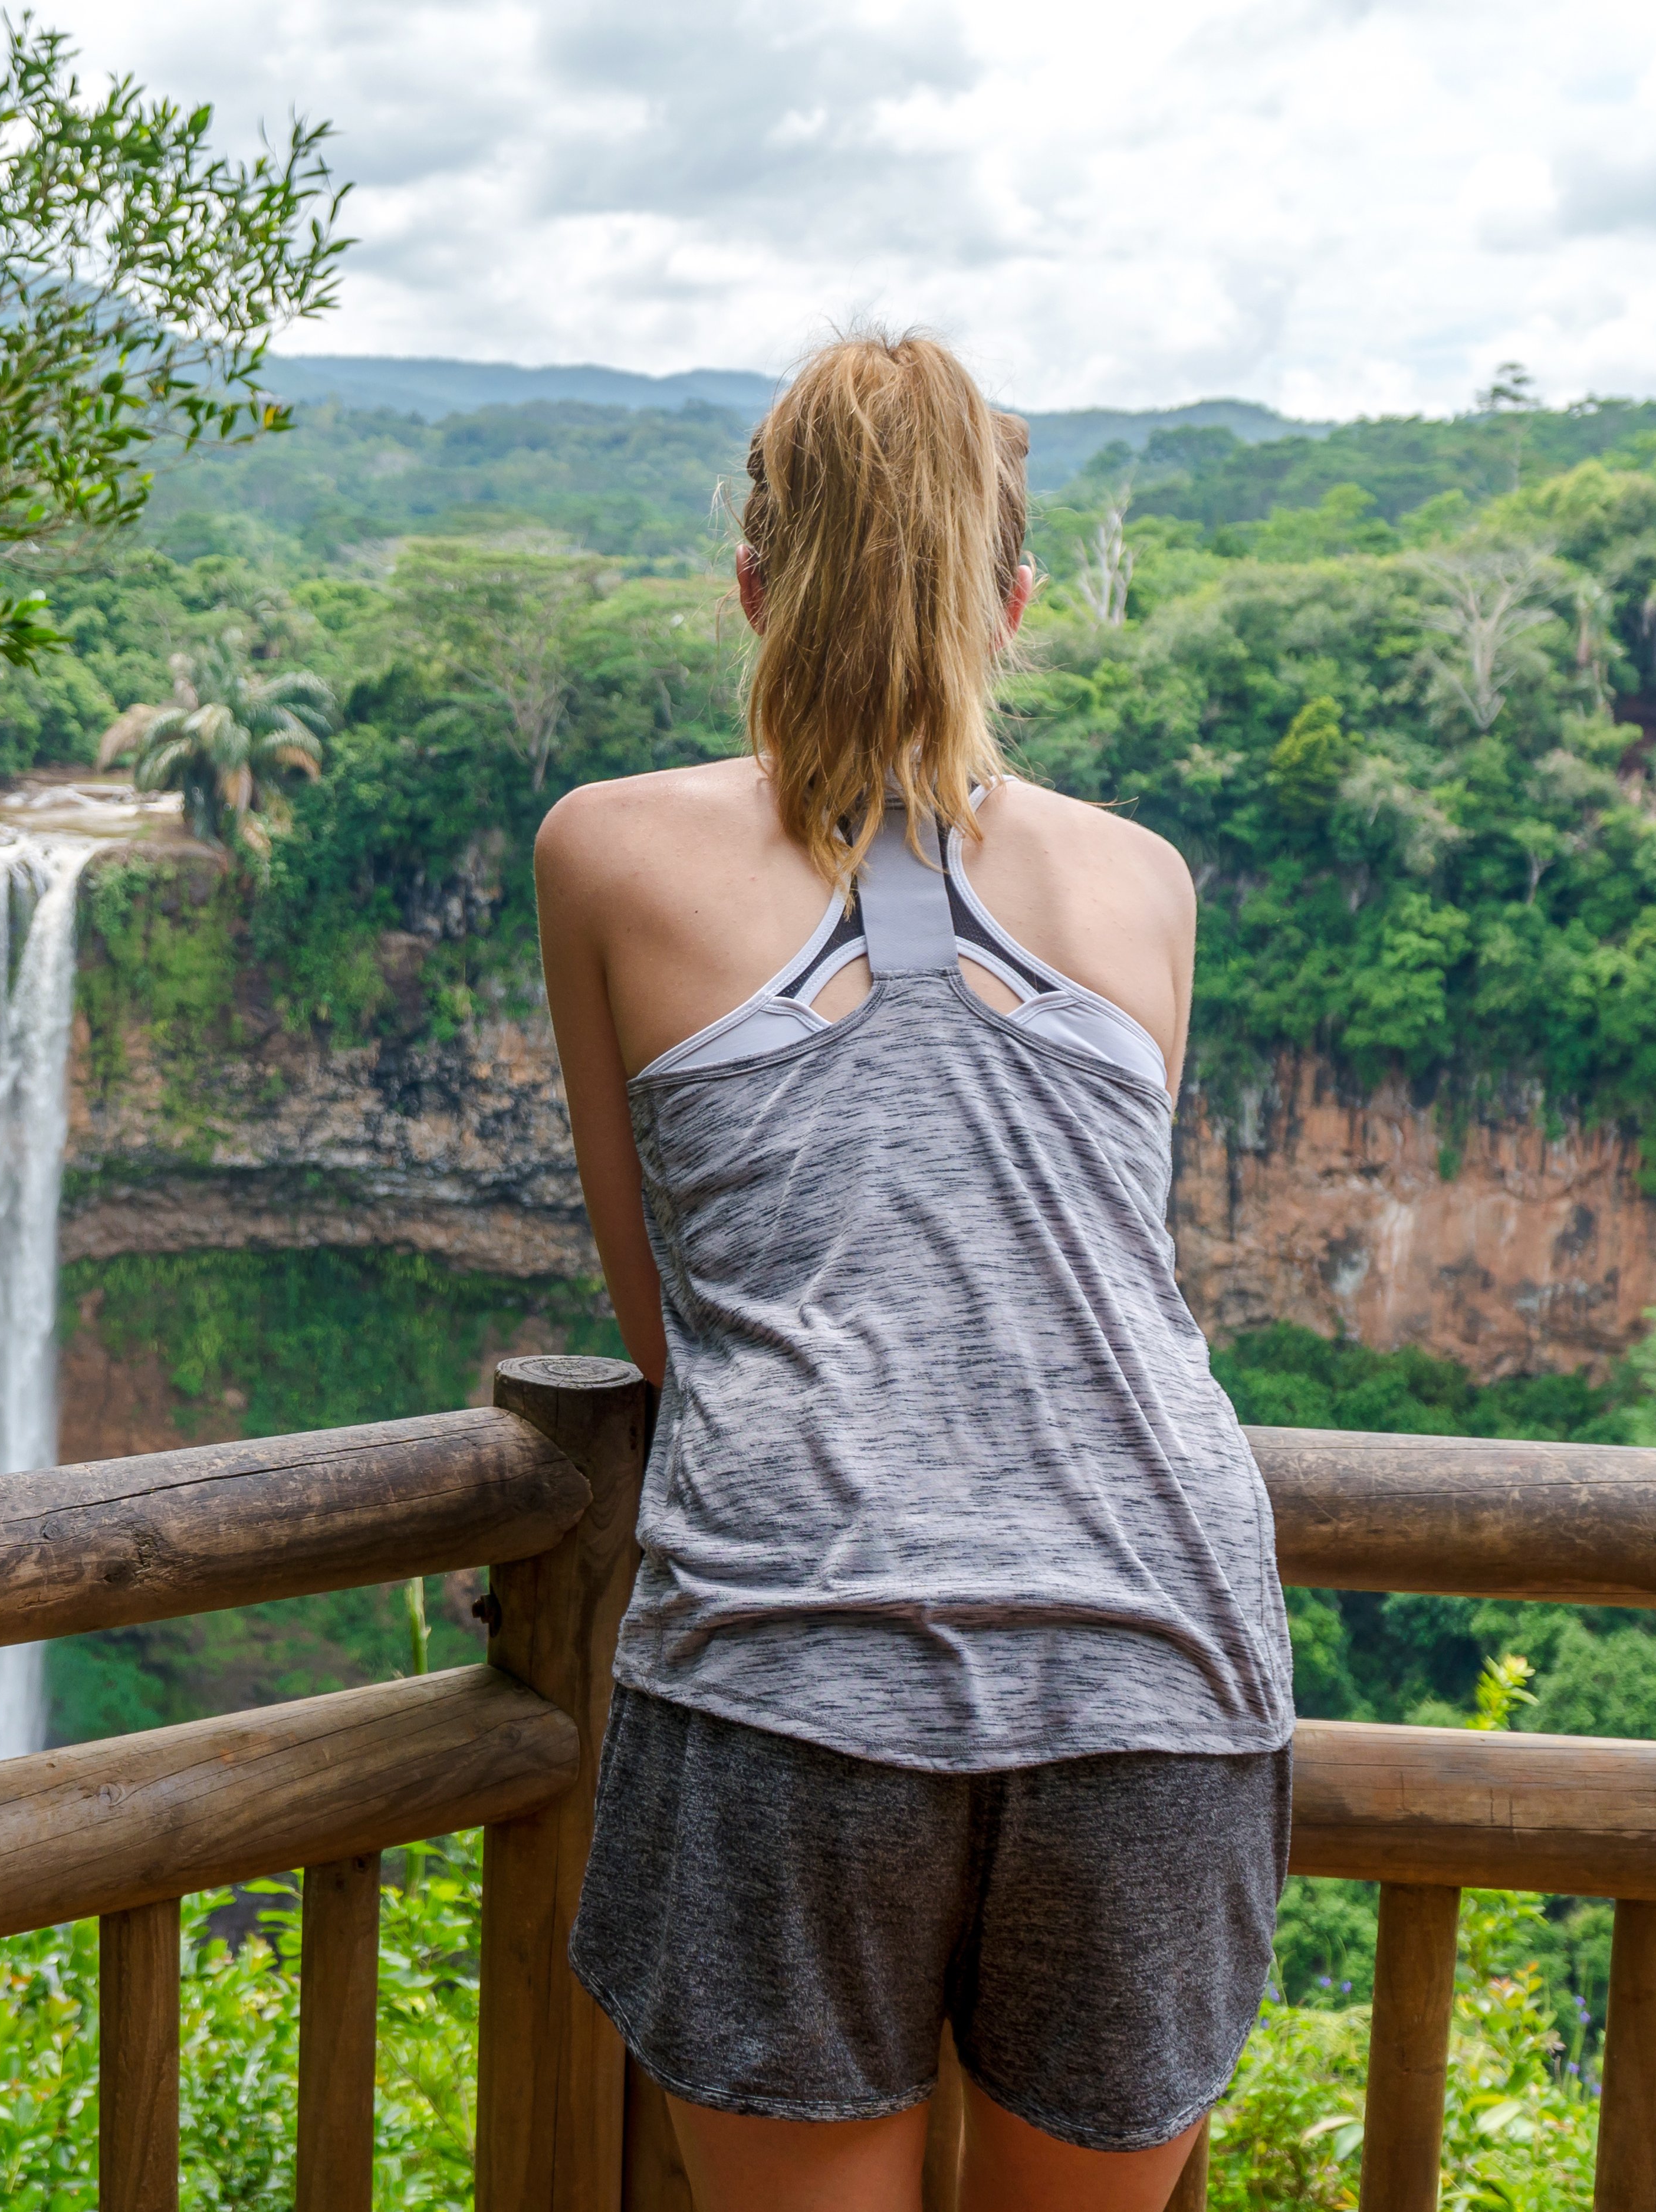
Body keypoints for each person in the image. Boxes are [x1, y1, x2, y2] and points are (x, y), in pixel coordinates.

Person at [530, 329, 1297, 2212]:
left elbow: (672, 1321)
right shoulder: (1144, 879)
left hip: (798, 1658)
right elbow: (1100, 1277)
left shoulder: (609, 852)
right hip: (1154, 1656)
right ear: (1019, 602)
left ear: (749, 586)